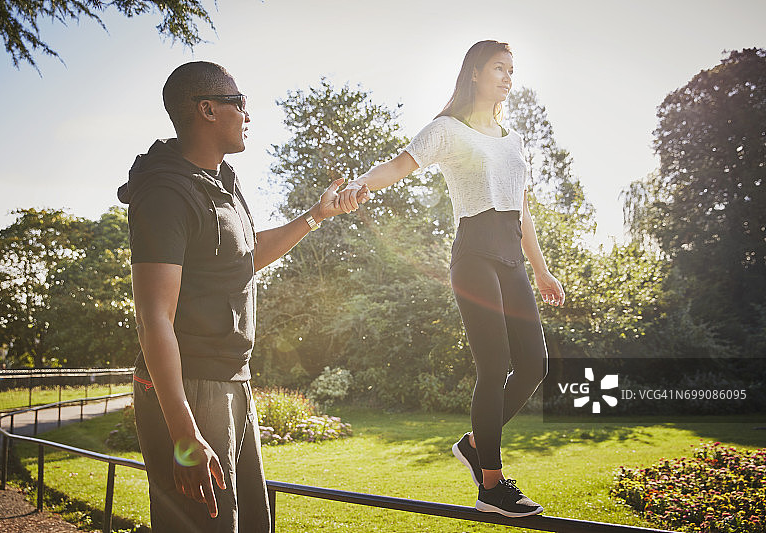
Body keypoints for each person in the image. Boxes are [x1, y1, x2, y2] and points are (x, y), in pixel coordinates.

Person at [117, 61, 368, 533]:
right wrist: (185, 435)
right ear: (207, 110)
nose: (249, 113)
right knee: (205, 524)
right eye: (240, 102)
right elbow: (155, 319)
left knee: (250, 522)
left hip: (233, 379)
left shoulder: (223, 182)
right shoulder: (165, 193)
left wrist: (316, 215)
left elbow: (245, 257)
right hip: (191, 385)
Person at [337, 40, 565, 517]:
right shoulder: (448, 130)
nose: (507, 78)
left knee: (534, 366)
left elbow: (523, 209)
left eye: (512, 70)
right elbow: (401, 165)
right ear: (475, 73)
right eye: (499, 68)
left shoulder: (513, 140)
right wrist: (360, 184)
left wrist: (541, 270)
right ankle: (491, 486)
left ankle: (473, 443)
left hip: (511, 259)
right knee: (495, 363)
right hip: (474, 255)